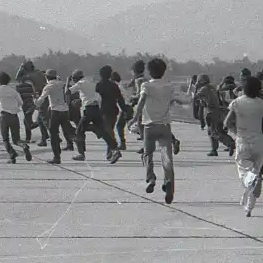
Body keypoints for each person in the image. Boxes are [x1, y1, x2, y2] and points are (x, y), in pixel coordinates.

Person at [133, 57, 180, 203]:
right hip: (165, 126)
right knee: (166, 157)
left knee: (147, 154)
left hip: (149, 126)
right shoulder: (169, 86)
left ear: (149, 71)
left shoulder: (146, 85)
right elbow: (172, 101)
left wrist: (134, 118)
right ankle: (168, 183)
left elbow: (141, 102)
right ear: (164, 71)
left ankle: (151, 178)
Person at [225, 75, 263, 216]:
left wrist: (234, 133)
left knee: (244, 172)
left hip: (243, 142)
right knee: (255, 171)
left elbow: (227, 123)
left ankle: (252, 180)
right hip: (258, 142)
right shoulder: (261, 103)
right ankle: (249, 208)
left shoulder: (237, 103)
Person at [68, 70, 122, 164]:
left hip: (88, 110)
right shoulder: (92, 81)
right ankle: (115, 149)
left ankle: (81, 154)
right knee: (103, 132)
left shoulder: (80, 83)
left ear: (75, 78)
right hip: (97, 108)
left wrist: (67, 82)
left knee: (79, 131)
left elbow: (67, 92)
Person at [0, 72, 32, 163]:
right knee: (16, 139)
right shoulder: (13, 91)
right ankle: (24, 146)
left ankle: (12, 155)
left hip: (5, 116)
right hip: (14, 116)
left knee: (5, 139)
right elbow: (21, 103)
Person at [36, 69, 77, 164]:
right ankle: (75, 137)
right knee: (67, 129)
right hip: (65, 111)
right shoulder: (62, 84)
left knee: (53, 135)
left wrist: (35, 102)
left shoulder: (48, 86)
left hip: (55, 111)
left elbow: (40, 100)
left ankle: (57, 157)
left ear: (46, 77)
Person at [194, 74, 234, 156]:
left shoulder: (204, 89)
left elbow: (195, 97)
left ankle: (230, 143)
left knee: (213, 132)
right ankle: (214, 149)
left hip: (211, 112)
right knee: (218, 130)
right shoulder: (213, 87)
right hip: (220, 111)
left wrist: (196, 88)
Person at [95, 66, 129, 151]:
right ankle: (111, 151)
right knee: (110, 130)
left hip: (103, 111)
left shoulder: (98, 85)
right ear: (110, 75)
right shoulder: (114, 85)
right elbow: (120, 98)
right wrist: (124, 110)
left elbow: (96, 99)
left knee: (108, 131)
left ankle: (112, 150)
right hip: (113, 111)